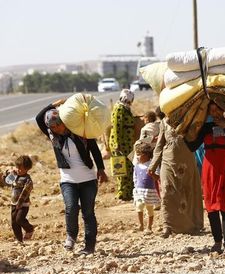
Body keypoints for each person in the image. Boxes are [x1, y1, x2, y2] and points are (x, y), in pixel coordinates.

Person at [36, 100, 107, 254]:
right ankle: (71, 237)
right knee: (71, 207)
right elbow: (38, 118)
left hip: (88, 178)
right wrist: (54, 104)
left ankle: (89, 246)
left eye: (57, 125)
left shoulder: (80, 131)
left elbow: (94, 149)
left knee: (88, 212)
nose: (55, 129)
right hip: (67, 179)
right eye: (52, 127)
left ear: (64, 122)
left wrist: (101, 169)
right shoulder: (53, 136)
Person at [186, 102, 225, 260]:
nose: (215, 112)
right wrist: (183, 132)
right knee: (212, 206)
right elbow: (192, 146)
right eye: (212, 110)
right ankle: (217, 242)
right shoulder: (205, 127)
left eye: (218, 109)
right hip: (210, 169)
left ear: (224, 109)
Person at [147, 116, 203, 238]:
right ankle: (167, 226)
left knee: (187, 193)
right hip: (167, 161)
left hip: (186, 162)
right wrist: (152, 166)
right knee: (166, 192)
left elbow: (194, 138)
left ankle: (191, 225)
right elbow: (160, 145)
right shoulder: (163, 123)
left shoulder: (190, 117)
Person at [110, 89, 135, 201]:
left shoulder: (125, 108)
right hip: (121, 145)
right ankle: (123, 193)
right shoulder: (119, 109)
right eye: (130, 100)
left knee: (129, 168)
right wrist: (117, 144)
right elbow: (116, 127)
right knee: (121, 169)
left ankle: (128, 192)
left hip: (127, 144)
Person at [4, 155, 34, 243]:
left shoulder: (27, 180)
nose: (18, 170)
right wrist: (8, 173)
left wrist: (19, 204)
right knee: (14, 222)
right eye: (17, 167)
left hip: (23, 204)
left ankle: (29, 229)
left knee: (19, 219)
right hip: (13, 203)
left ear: (27, 169)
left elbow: (25, 193)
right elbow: (6, 182)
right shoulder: (14, 175)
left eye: (21, 169)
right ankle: (19, 240)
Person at [133, 142, 160, 232]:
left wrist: (152, 174)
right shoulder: (137, 166)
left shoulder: (152, 165)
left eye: (139, 155)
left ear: (146, 155)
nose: (137, 157)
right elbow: (135, 177)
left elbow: (157, 178)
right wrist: (136, 187)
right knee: (139, 207)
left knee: (149, 209)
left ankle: (149, 227)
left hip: (149, 192)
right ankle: (141, 225)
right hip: (139, 191)